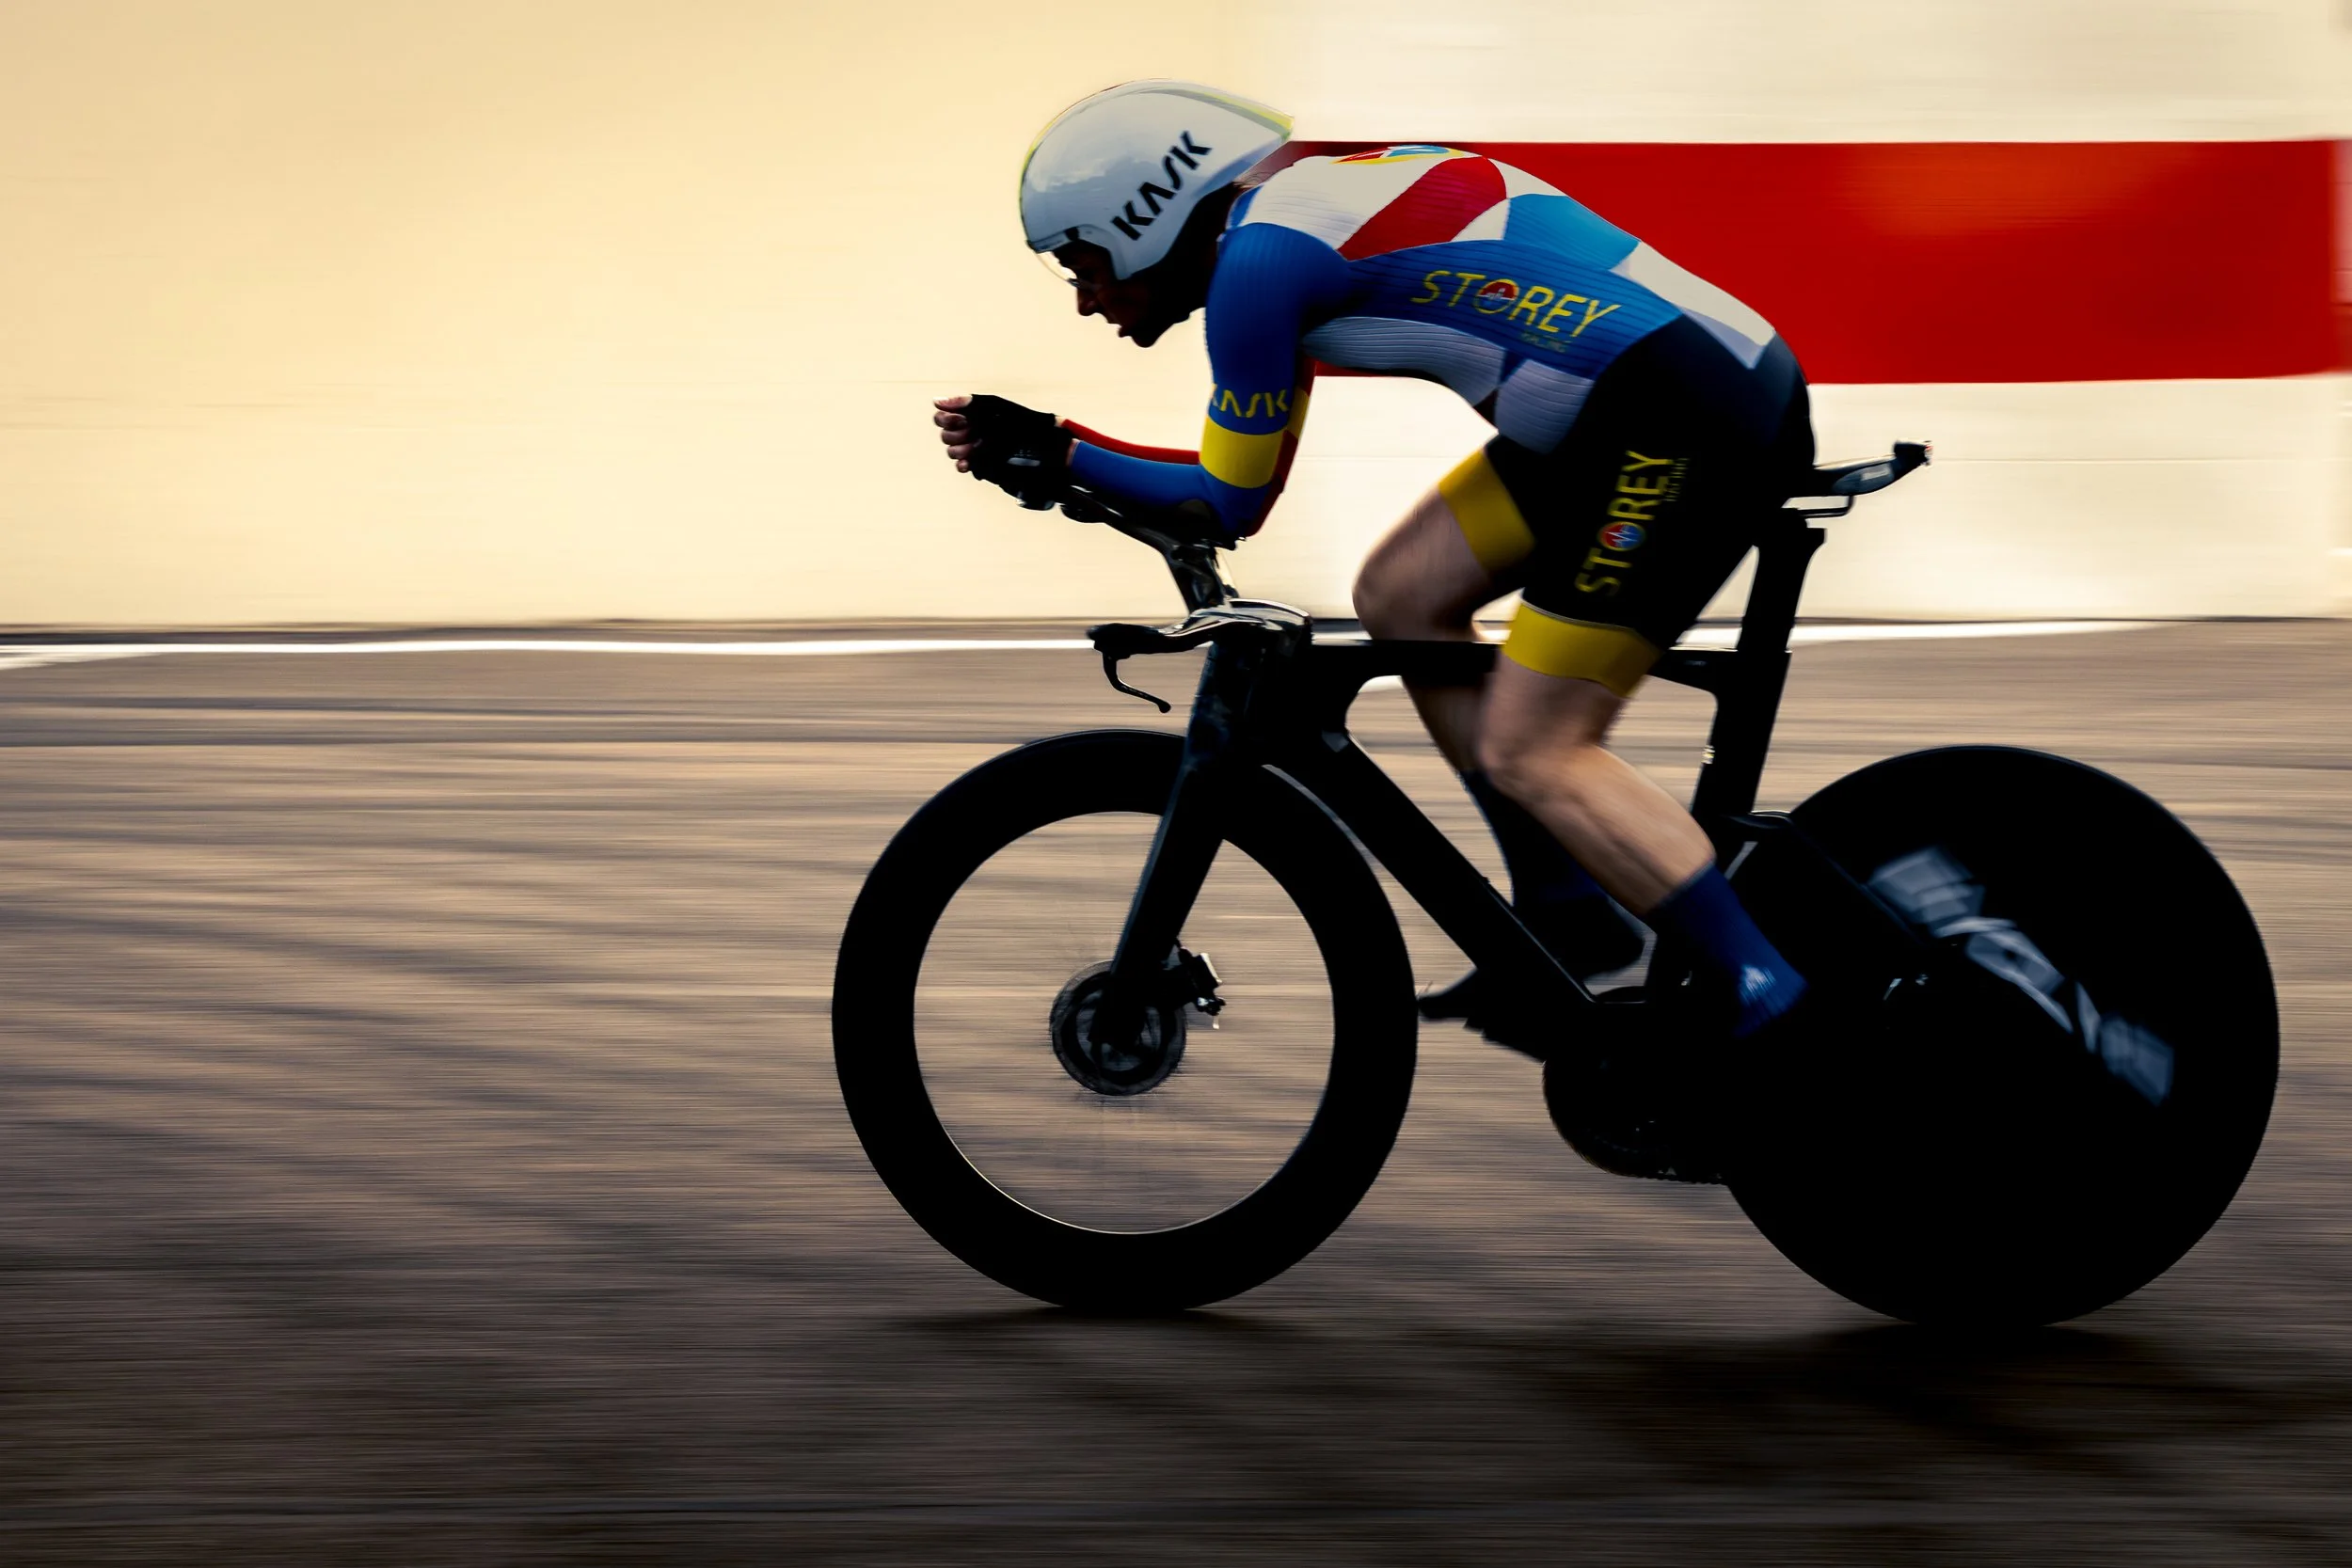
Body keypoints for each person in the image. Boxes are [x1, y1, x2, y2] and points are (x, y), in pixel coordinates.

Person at [934, 80, 1814, 1046]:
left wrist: (1059, 451)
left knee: (1536, 745)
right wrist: (1064, 461)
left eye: (1085, 263)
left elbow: (1227, 504)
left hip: (1676, 419)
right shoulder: (1284, 227)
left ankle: (1772, 998)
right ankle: (1563, 908)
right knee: (1402, 593)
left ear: (1144, 219)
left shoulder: (1258, 270)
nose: (1084, 298)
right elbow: (1245, 485)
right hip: (1631, 406)